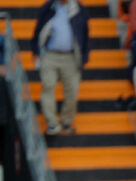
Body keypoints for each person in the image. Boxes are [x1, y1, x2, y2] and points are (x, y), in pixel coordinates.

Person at [33, 0, 90, 135]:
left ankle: (67, 121)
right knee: (48, 86)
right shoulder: (48, 7)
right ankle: (52, 123)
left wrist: (84, 55)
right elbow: (38, 30)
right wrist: (36, 51)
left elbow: (85, 32)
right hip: (49, 54)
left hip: (71, 55)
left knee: (72, 90)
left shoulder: (78, 8)